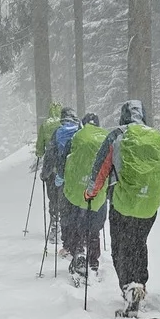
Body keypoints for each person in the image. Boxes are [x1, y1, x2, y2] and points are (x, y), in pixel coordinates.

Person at [85, 100, 160, 317]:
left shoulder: (117, 135)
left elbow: (101, 168)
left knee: (121, 247)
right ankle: (139, 283)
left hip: (122, 204)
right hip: (148, 206)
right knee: (138, 243)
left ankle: (128, 287)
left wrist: (90, 193)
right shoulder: (157, 137)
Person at [62, 113, 110, 277]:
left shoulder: (76, 136)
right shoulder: (107, 137)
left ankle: (79, 253)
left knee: (77, 225)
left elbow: (64, 161)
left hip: (77, 191)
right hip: (98, 190)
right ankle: (93, 262)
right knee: (94, 228)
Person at [42, 107, 82, 257]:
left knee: (63, 209)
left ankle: (67, 244)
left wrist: (45, 174)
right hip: (78, 177)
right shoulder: (80, 130)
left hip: (60, 176)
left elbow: (50, 154)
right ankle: (80, 242)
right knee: (78, 210)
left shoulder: (58, 132)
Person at [35, 102, 64, 242]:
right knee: (64, 197)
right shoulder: (65, 125)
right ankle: (65, 225)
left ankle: (55, 224)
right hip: (64, 168)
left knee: (53, 198)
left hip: (50, 167)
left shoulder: (45, 125)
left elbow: (40, 147)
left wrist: (40, 153)